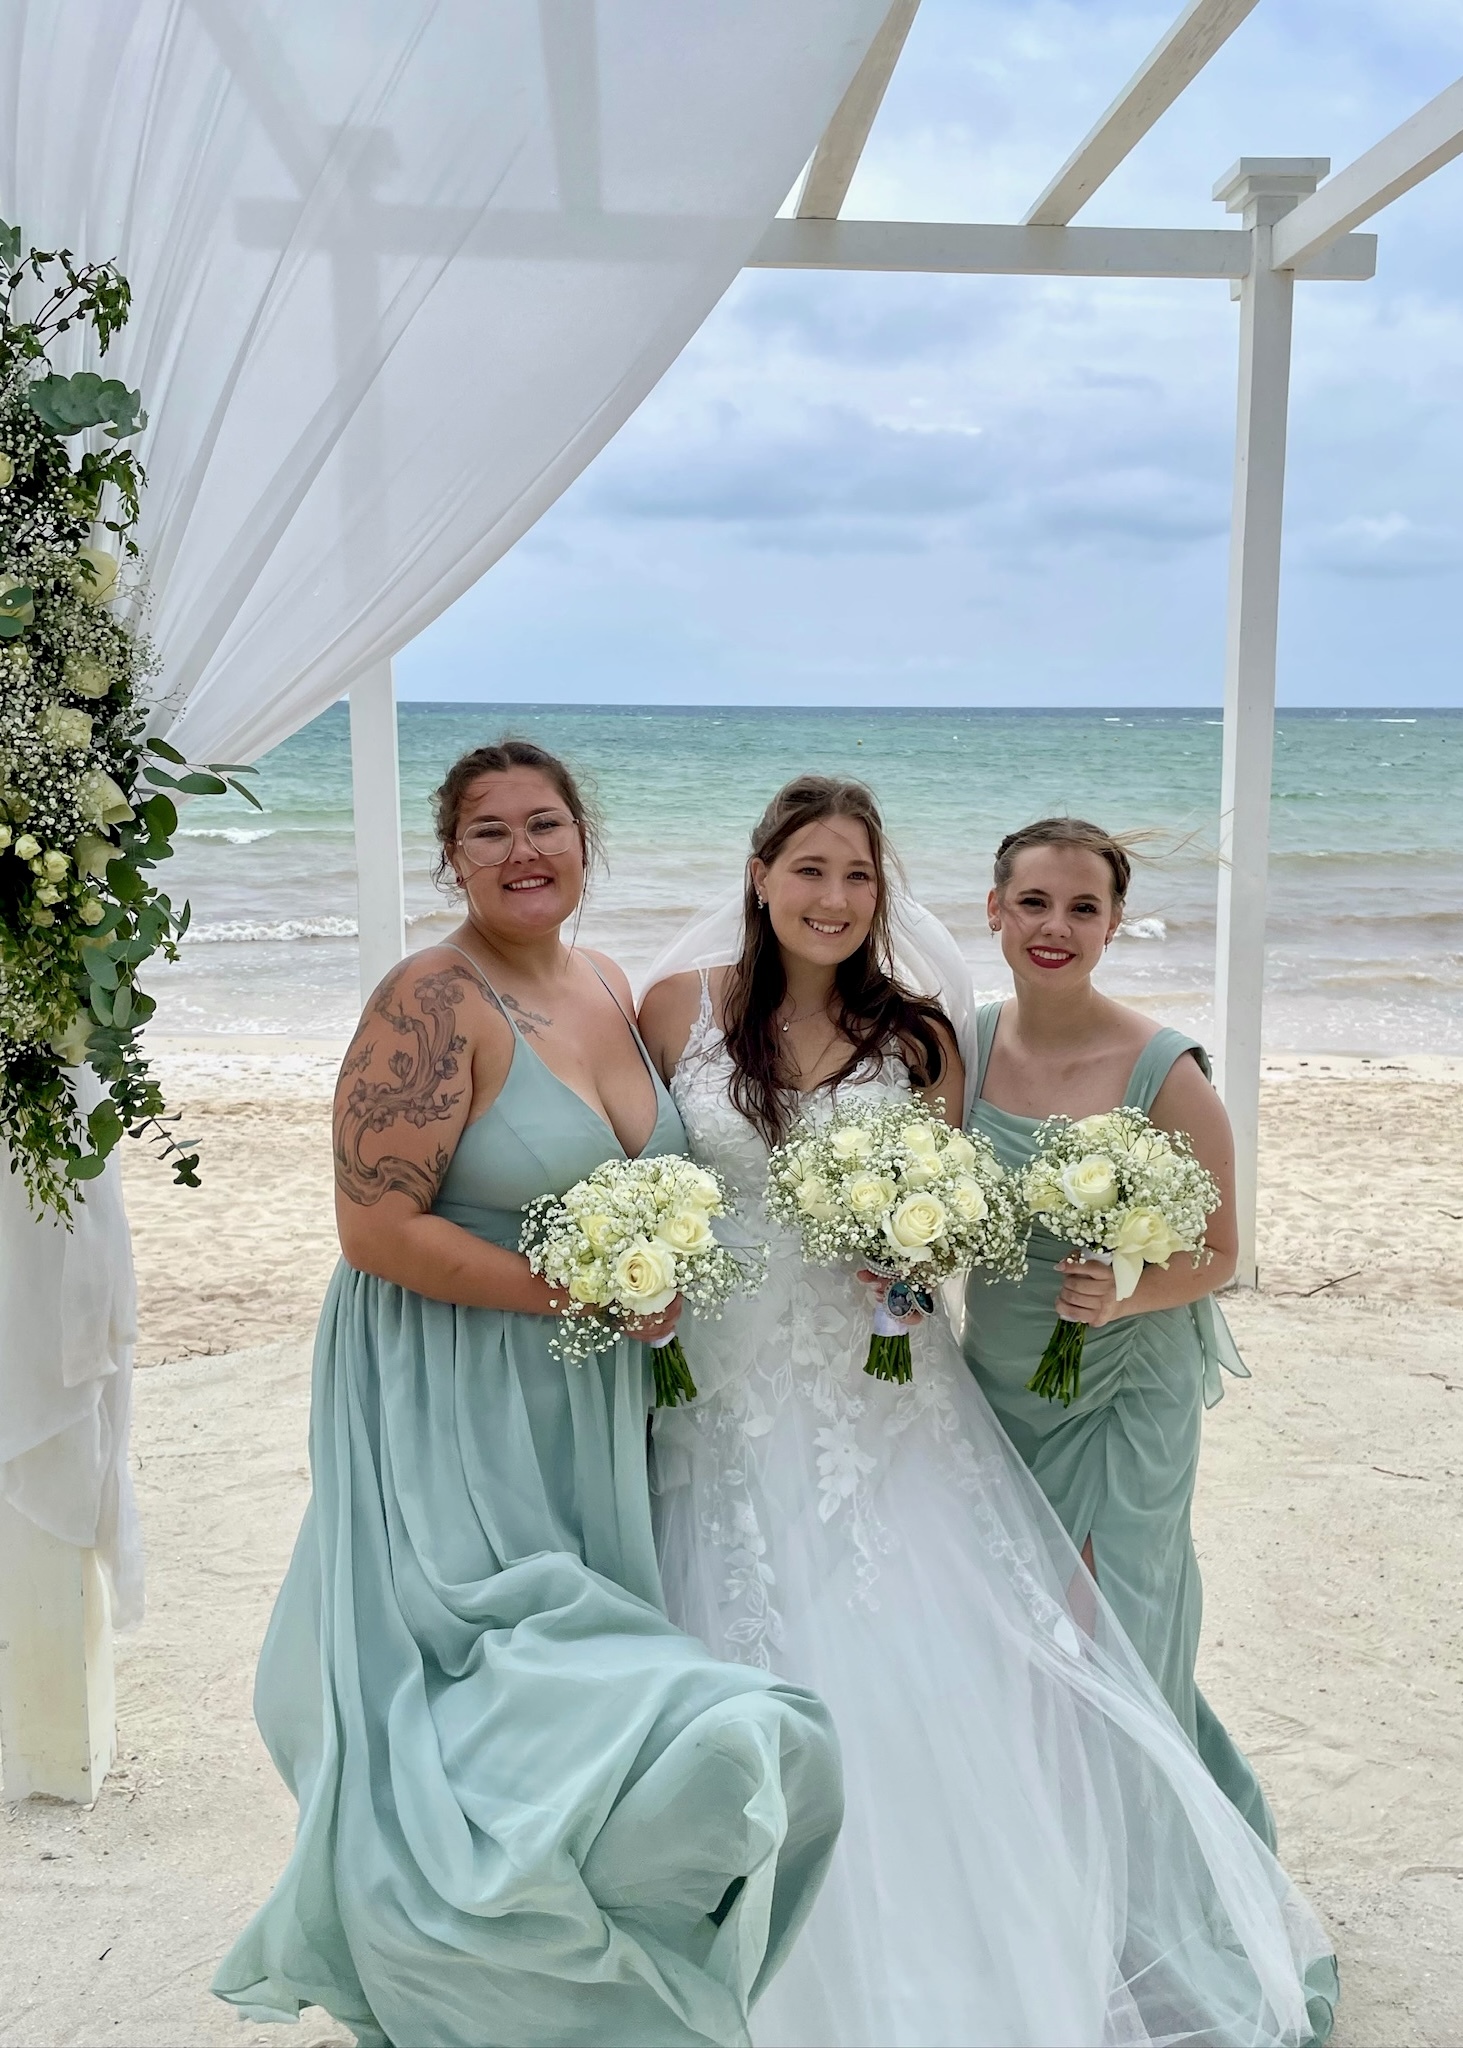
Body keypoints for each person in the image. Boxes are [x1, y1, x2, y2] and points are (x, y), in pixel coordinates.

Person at [639, 774, 1338, 2048]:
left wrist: (902, 1266)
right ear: (758, 876)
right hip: (720, 1387)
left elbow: (948, 1216)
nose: (833, 898)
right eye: (808, 870)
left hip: (877, 1392)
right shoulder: (673, 1008)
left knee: (952, 1657)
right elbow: (645, 1167)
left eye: (855, 875)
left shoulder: (920, 1038)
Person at [212, 740, 843, 2048]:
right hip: (450, 1384)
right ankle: (457, 1955)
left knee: (576, 1661)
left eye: (543, 824)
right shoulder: (428, 1004)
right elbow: (375, 1231)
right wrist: (578, 1297)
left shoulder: (607, 986)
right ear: (450, 857)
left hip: (588, 1396)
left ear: (582, 840)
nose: (521, 853)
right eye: (488, 833)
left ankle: (568, 1941)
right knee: (487, 1670)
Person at [962, 816, 1278, 1847]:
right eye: (1034, 902)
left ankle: (1142, 1870)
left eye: (1082, 907)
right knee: (1014, 1622)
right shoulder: (957, 1046)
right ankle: (1041, 1857)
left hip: (1123, 1384)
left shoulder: (1161, 1069)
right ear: (994, 909)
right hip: (1000, 1378)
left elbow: (1221, 1251)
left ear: (1113, 925)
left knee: (1110, 1628)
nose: (1054, 926)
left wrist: (1124, 1294)